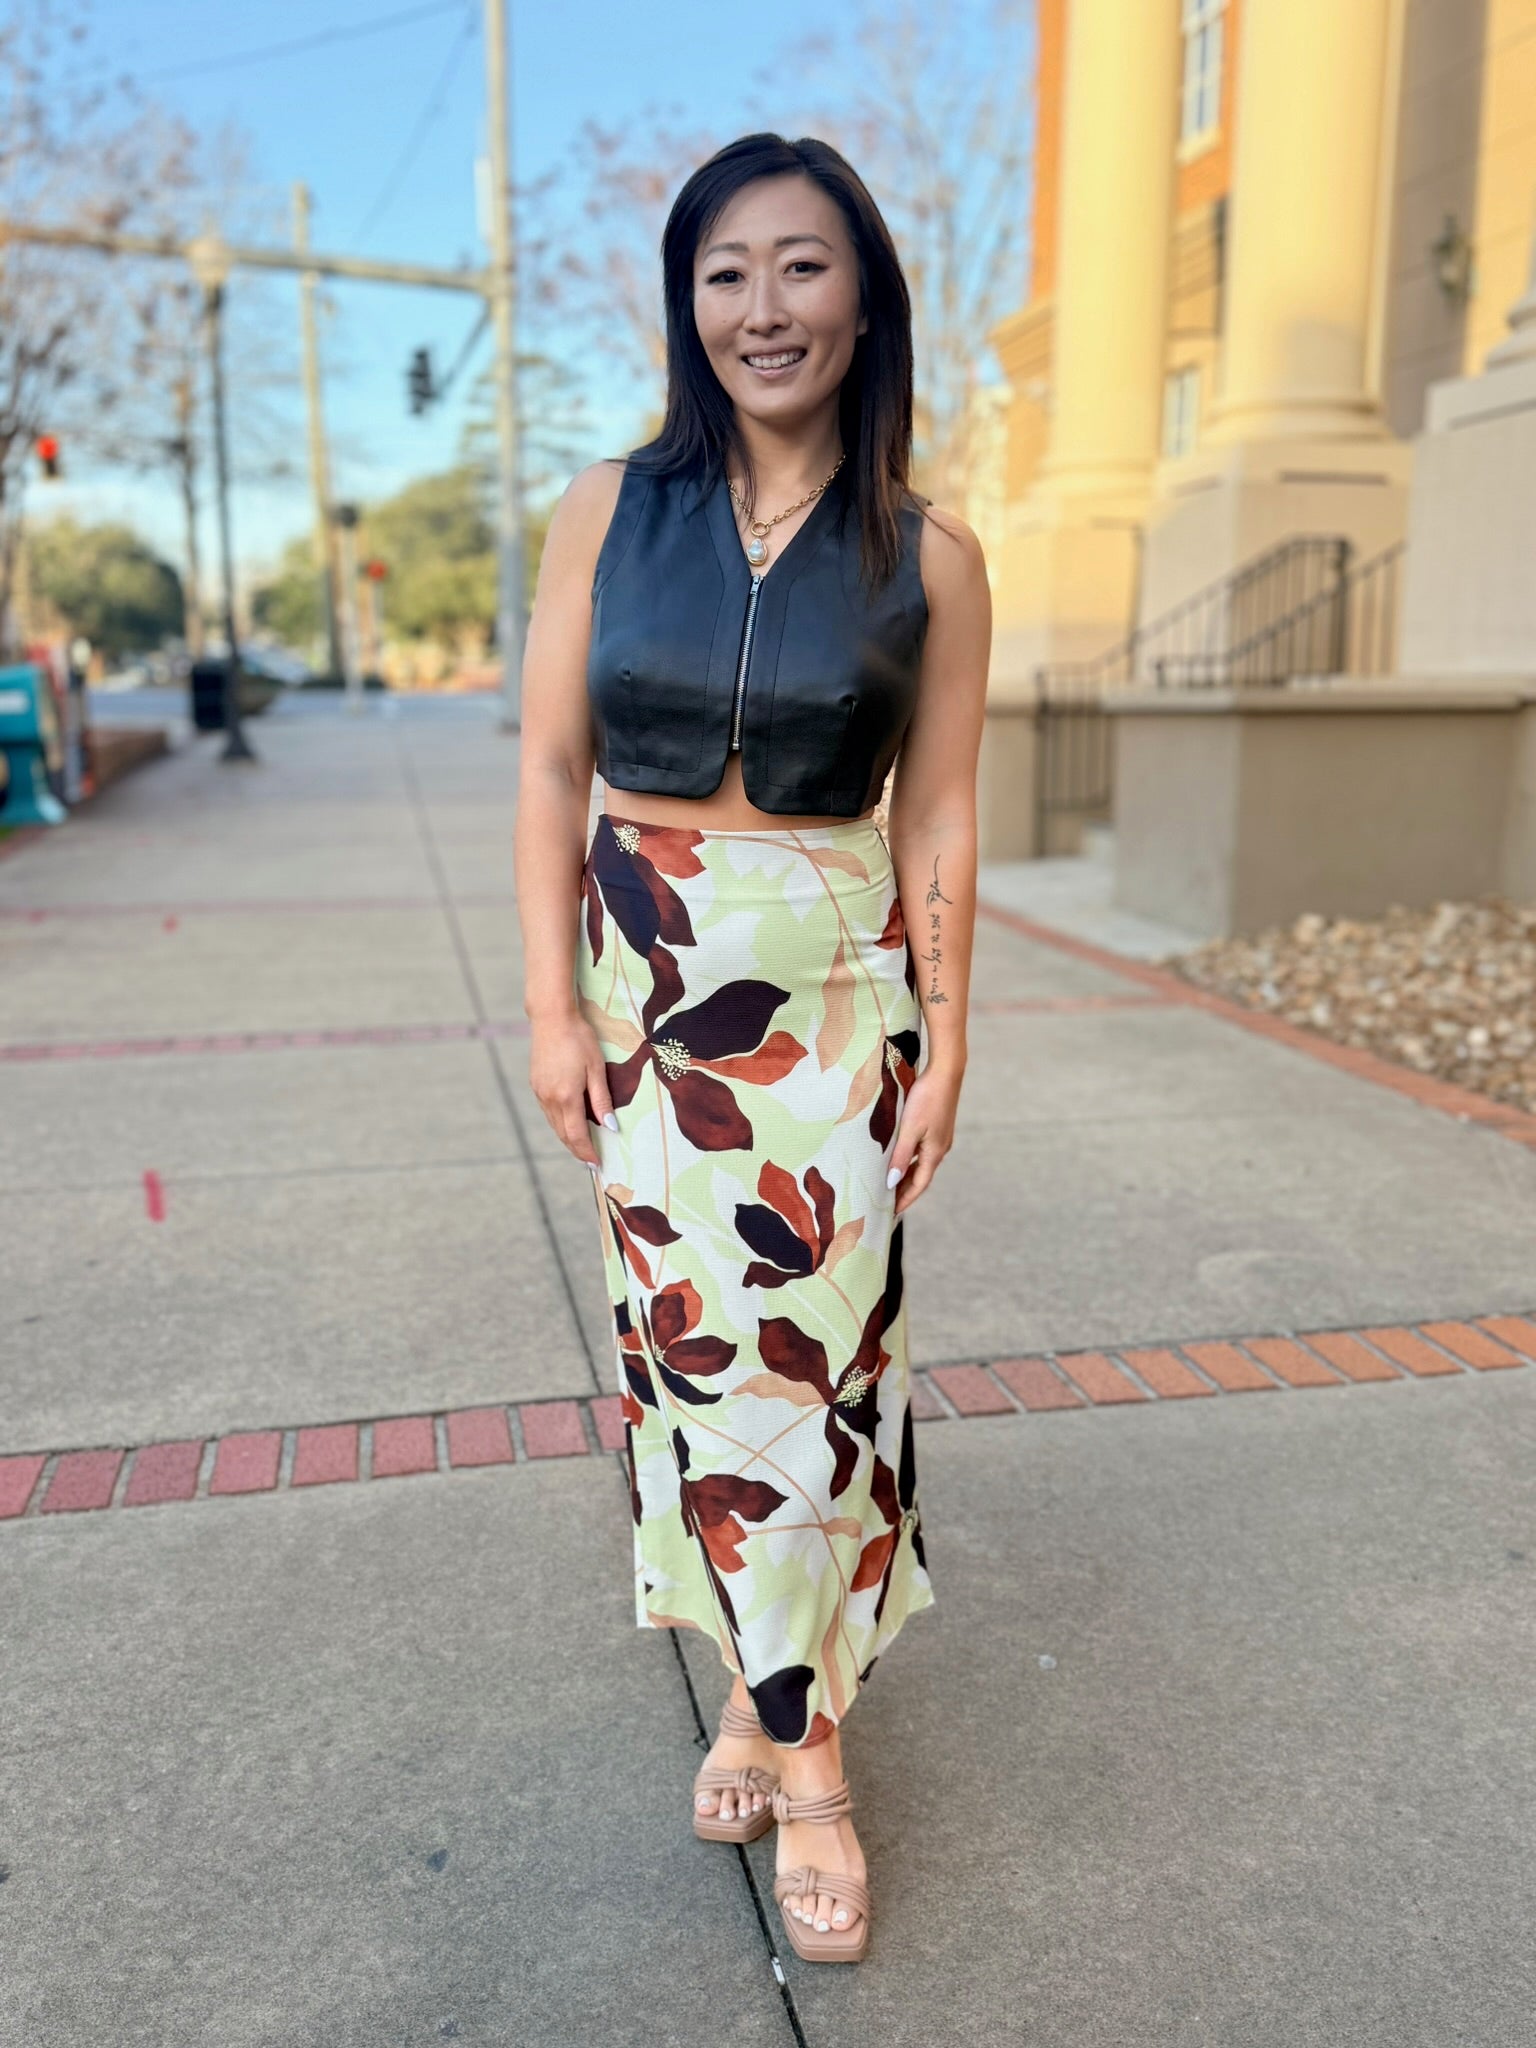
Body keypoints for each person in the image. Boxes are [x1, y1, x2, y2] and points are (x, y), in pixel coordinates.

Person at [513, 131, 989, 1964]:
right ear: (686, 303)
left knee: (816, 1386)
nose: (762, 306)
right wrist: (550, 1006)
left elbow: (937, 814)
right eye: (726, 272)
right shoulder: (602, 511)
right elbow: (552, 765)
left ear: (863, 297)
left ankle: (808, 1754)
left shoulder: (932, 556)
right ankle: (762, 1696)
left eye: (802, 265)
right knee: (695, 1379)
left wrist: (952, 1037)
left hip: (837, 1009)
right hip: (646, 1007)